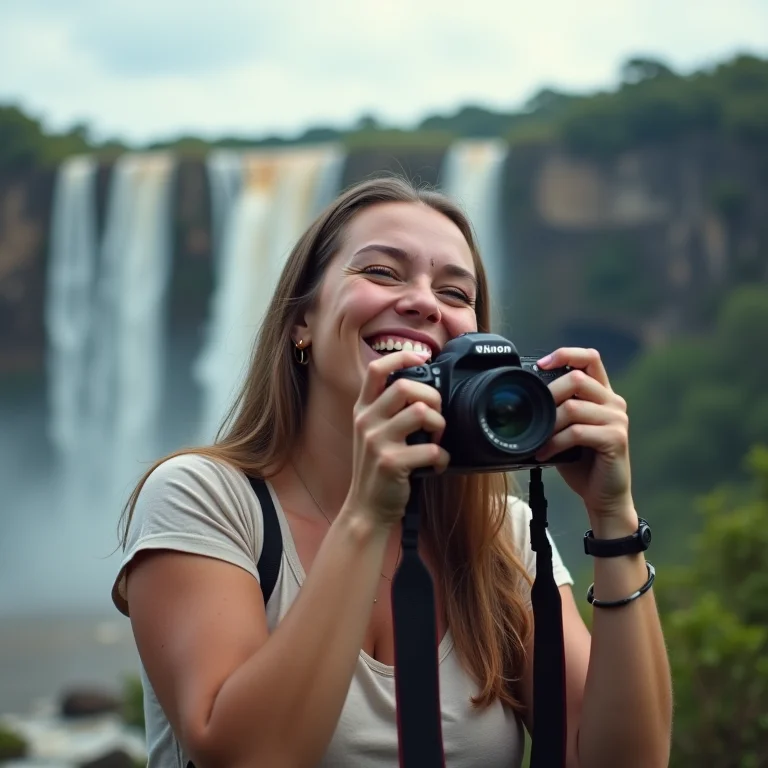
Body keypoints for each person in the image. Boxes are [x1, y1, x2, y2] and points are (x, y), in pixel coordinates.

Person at [111, 176, 672, 768]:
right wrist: (369, 512)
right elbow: (249, 757)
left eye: (456, 293)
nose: (426, 303)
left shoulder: (499, 534)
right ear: (302, 321)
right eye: (381, 272)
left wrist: (615, 520)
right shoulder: (204, 498)